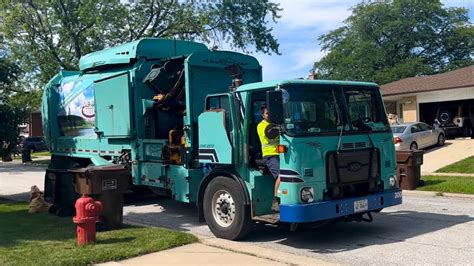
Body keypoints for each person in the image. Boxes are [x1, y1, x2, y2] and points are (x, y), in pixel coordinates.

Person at [257, 106, 281, 212]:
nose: (269, 115)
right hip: (270, 155)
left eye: (270, 113)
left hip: (281, 154)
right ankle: (275, 201)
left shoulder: (276, 124)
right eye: (267, 113)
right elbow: (269, 134)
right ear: (263, 115)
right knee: (282, 175)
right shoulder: (261, 126)